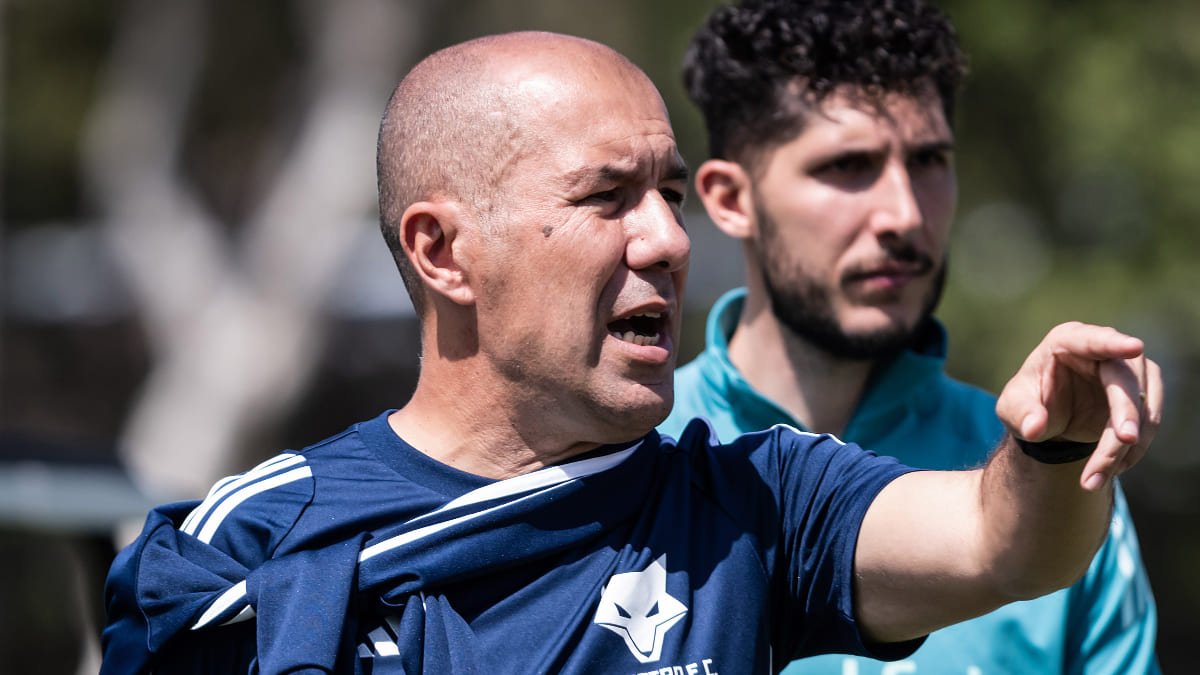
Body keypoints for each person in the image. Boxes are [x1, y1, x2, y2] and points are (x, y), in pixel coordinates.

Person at [100, 31, 1161, 674]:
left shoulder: (756, 503)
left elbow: (998, 542)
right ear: (442, 252)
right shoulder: (237, 552)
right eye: (607, 197)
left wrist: (1052, 446)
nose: (665, 238)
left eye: (665, 192)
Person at [659, 1, 1160, 673]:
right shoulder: (632, 461)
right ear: (731, 200)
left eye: (927, 159)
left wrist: (1055, 456)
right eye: (848, 166)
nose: (903, 212)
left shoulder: (1053, 473)